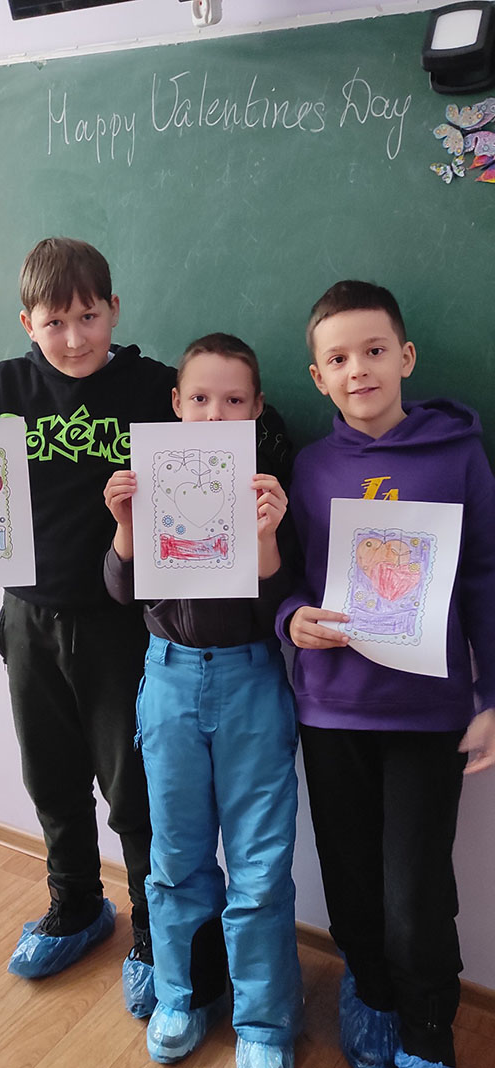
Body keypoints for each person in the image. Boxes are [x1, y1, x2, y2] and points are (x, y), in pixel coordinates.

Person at [0, 237, 177, 993]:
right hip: (27, 618)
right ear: (28, 323)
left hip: (121, 623)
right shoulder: (1, 388)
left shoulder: (154, 388)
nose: (75, 338)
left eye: (89, 317)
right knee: (50, 775)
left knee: (134, 788)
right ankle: (76, 904)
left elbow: (229, 421)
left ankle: (155, 931)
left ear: (114, 310)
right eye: (55, 322)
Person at [275, 280, 495, 1068]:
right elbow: (288, 574)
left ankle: (428, 1026)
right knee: (350, 875)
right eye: (338, 359)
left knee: (415, 890)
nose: (358, 369)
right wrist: (290, 618)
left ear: (406, 356)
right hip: (331, 709)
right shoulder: (309, 467)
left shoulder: (458, 456)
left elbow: (485, 578)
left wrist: (491, 695)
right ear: (317, 377)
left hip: (427, 714)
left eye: (373, 351)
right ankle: (368, 989)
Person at [103, 333, 302, 1068]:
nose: (215, 415)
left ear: (256, 409)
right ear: (176, 404)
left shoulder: (266, 489)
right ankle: (182, 993)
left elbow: (281, 605)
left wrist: (268, 535)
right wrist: (126, 527)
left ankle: (265, 1021)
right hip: (170, 679)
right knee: (175, 856)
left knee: (259, 862)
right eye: (199, 399)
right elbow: (122, 591)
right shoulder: (151, 479)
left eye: (234, 400)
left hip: (251, 679)